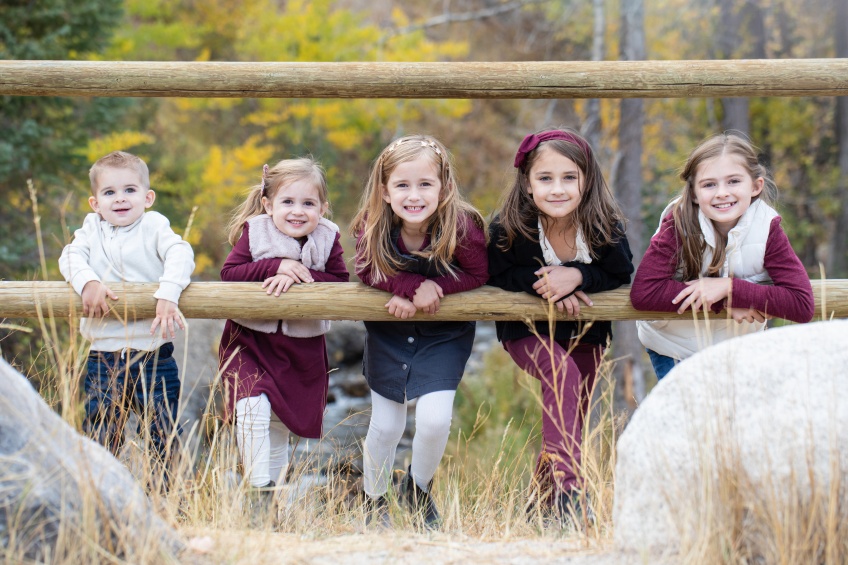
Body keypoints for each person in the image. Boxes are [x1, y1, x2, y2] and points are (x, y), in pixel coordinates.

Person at [486, 128, 634, 526]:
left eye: (569, 177)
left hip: (586, 333)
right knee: (560, 372)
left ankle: (539, 508)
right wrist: (545, 283)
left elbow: (620, 272)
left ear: (587, 181)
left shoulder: (604, 226)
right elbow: (494, 274)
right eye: (545, 178)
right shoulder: (508, 228)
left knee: (569, 420)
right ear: (527, 183)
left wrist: (578, 276)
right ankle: (571, 492)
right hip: (527, 332)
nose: (558, 189)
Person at [350, 134, 488, 529]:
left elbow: (480, 273)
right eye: (402, 185)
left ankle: (418, 488)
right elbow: (365, 269)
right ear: (385, 190)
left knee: (434, 420)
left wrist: (435, 288)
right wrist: (408, 287)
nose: (414, 196)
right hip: (390, 333)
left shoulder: (461, 226)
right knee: (386, 425)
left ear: (444, 187)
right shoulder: (373, 225)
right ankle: (373, 500)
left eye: (425, 184)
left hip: (444, 336)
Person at [632, 132, 815, 381]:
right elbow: (644, 293)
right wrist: (726, 302)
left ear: (755, 186)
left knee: (736, 408)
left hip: (739, 346)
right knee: (692, 408)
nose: (721, 193)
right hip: (674, 345)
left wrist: (729, 288)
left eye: (733, 181)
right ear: (694, 193)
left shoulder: (767, 227)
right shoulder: (678, 222)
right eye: (709, 184)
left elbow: (801, 304)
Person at [59, 150, 195, 484]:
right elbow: (70, 256)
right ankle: (100, 496)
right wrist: (87, 282)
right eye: (110, 192)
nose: (120, 198)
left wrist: (168, 292)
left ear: (148, 198)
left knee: (162, 431)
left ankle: (164, 499)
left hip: (152, 354)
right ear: (95, 203)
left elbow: (180, 253)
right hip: (103, 356)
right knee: (101, 434)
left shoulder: (153, 225)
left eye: (130, 190)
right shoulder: (90, 230)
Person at [218, 158, 349, 502]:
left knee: (278, 424)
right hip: (249, 341)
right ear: (268, 204)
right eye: (287, 202)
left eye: (308, 203)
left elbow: (339, 281)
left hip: (301, 349)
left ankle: (269, 502)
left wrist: (299, 276)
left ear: (323, 208)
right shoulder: (255, 231)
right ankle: (257, 489)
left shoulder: (328, 237)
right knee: (251, 408)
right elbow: (229, 273)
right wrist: (277, 265)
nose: (297, 211)